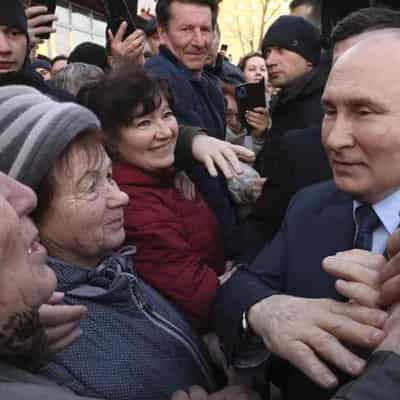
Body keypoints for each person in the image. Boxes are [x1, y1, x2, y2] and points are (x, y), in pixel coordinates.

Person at [0, 84, 257, 400]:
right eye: (91, 186)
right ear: (29, 209)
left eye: (110, 176)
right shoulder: (45, 332)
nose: (121, 197)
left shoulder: (112, 266)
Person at [212, 29, 400, 400]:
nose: (334, 138)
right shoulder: (310, 206)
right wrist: (265, 312)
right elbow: (236, 290)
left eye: (363, 112)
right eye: (330, 111)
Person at [85, 67, 231, 329]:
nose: (164, 132)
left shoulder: (163, 175)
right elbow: (197, 295)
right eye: (144, 123)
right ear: (111, 141)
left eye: (167, 115)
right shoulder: (131, 205)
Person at [145, 0, 237, 257]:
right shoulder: (152, 80)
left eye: (205, 29)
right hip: (182, 238)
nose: (199, 41)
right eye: (186, 29)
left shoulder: (209, 85)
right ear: (162, 33)